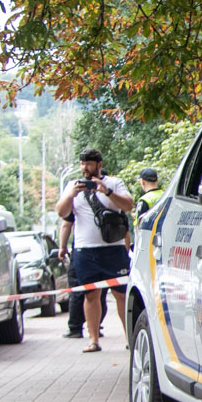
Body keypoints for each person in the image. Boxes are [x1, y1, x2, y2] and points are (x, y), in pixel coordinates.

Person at [55, 149, 134, 352]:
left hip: (113, 250)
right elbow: (62, 213)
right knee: (91, 295)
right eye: (82, 164)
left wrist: (106, 191)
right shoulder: (72, 186)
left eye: (89, 164)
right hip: (85, 250)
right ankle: (93, 339)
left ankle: (130, 339)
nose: (85, 168)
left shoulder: (114, 183)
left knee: (121, 294)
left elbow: (128, 205)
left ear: (99, 164)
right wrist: (71, 195)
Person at [57, 217, 106, 339]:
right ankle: (96, 326)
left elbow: (66, 225)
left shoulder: (77, 199)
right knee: (101, 291)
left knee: (78, 290)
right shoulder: (111, 198)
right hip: (108, 249)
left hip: (82, 250)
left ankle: (75, 328)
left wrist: (62, 248)